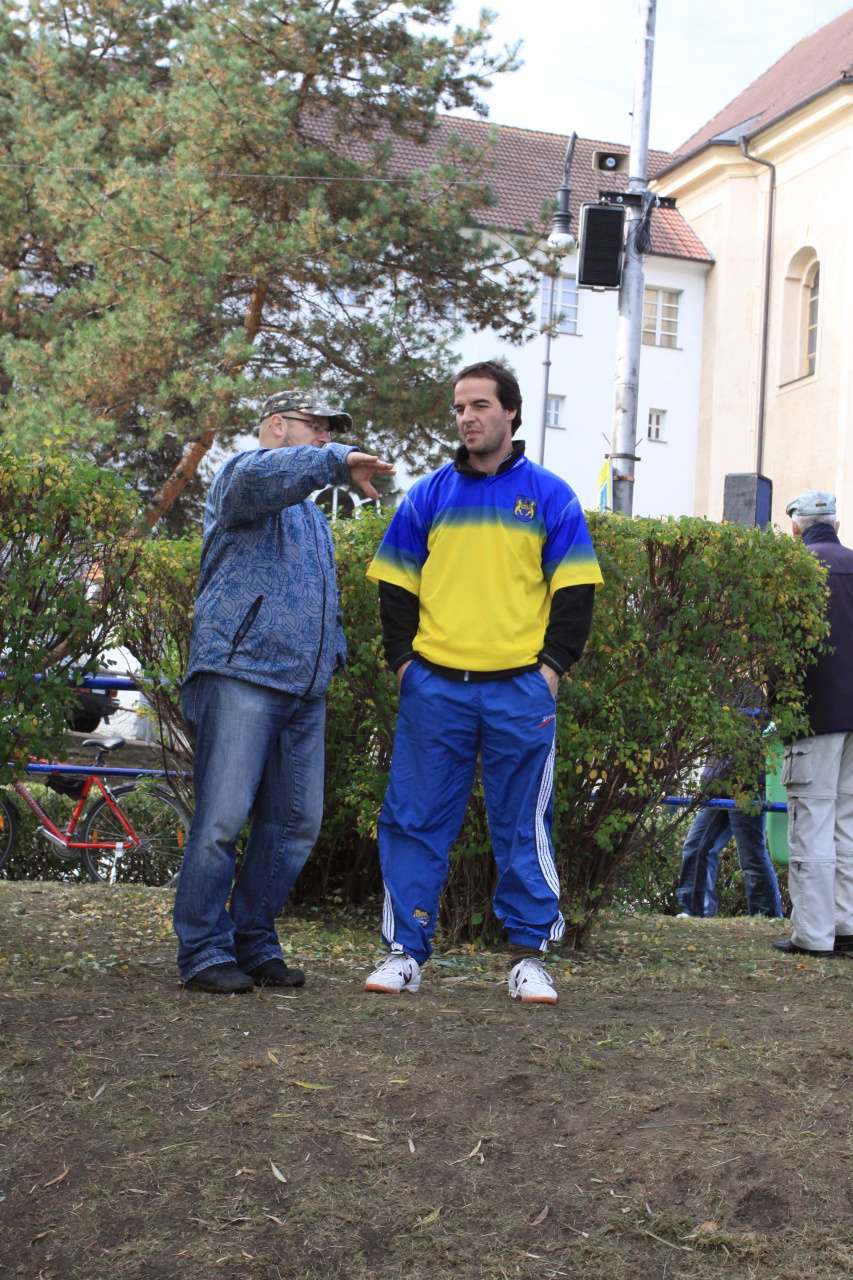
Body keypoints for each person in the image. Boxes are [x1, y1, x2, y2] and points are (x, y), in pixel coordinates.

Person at [362, 359, 602, 1004]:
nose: (467, 418)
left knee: (523, 824)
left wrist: (551, 670)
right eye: (459, 408)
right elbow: (395, 585)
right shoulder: (428, 494)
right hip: (434, 689)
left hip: (520, 689)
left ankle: (529, 958)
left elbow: (575, 591)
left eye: (480, 406)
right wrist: (404, 665)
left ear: (511, 411)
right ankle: (403, 952)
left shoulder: (551, 495)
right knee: (413, 819)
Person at [174, 391, 394, 994]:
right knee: (221, 823)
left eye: (331, 431)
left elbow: (320, 598)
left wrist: (332, 654)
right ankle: (202, 952)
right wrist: (335, 461)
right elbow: (272, 476)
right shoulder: (241, 478)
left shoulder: (312, 519)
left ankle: (254, 942)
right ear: (276, 424)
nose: (325, 437)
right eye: (315, 426)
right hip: (241, 675)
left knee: (295, 825)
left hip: (303, 690)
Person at [774, 490, 853, 958]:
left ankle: (814, 934)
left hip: (815, 715)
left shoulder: (795, 570)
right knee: (847, 822)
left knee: (812, 819)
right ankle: (846, 925)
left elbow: (777, 651)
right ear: (836, 525)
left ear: (795, 528)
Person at [676, 762, 783, 920]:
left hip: (747, 787)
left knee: (751, 854)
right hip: (716, 787)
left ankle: (766, 916)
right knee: (695, 846)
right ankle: (693, 911)